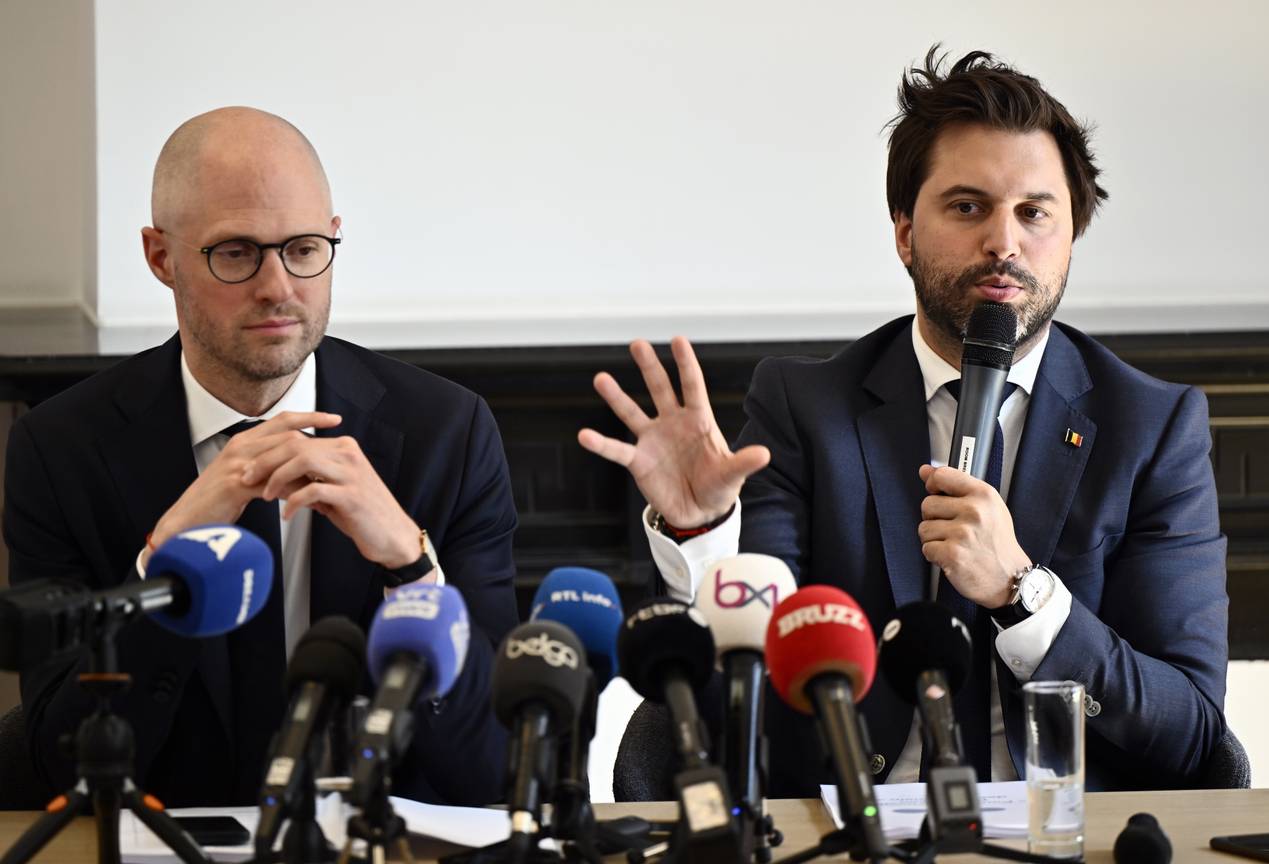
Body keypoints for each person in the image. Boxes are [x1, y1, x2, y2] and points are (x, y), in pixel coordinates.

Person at [581, 48, 1228, 794]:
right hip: (850, 825)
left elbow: (1189, 733)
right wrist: (703, 538)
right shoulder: (803, 407)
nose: (1004, 243)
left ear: (1070, 237)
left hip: (1064, 833)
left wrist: (1021, 591)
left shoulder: (1151, 427)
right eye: (966, 206)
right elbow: (745, 687)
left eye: (1033, 213)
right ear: (902, 233)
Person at [3, 107, 519, 806]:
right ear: (161, 257)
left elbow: (494, 767)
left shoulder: (446, 435)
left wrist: (410, 566)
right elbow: (51, 768)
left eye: (303, 249)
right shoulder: (62, 447)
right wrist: (165, 555)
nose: (278, 287)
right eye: (236, 252)